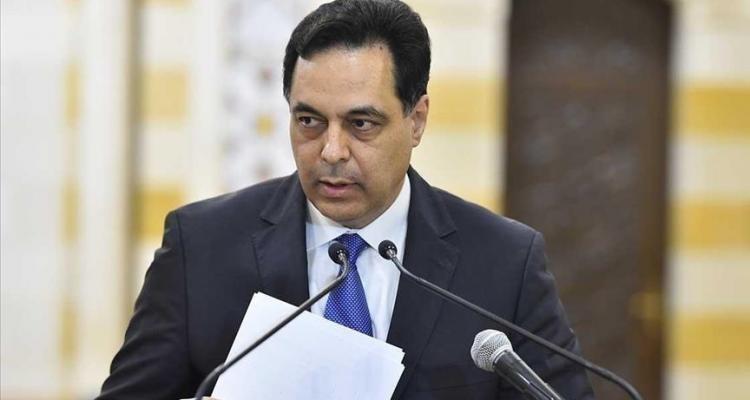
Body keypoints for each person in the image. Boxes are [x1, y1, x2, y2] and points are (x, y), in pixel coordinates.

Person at [98, 0, 594, 399]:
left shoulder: (504, 263)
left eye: (361, 124)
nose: (331, 151)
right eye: (309, 121)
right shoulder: (201, 247)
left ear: (416, 120)